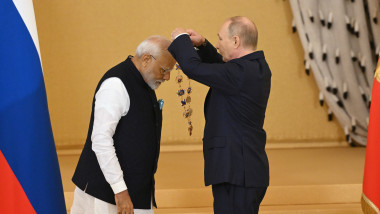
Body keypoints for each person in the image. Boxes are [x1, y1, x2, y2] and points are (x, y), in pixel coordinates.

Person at [169, 16, 271, 214]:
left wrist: (180, 37)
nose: (217, 45)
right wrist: (202, 44)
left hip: (237, 173)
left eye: (220, 39)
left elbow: (193, 68)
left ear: (236, 41)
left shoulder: (240, 73)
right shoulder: (254, 67)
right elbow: (221, 67)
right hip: (242, 171)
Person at [71, 35, 175, 214]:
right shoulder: (116, 85)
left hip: (135, 192)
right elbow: (101, 140)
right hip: (108, 194)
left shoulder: (145, 81)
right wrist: (120, 191)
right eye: (164, 69)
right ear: (146, 59)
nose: (167, 77)